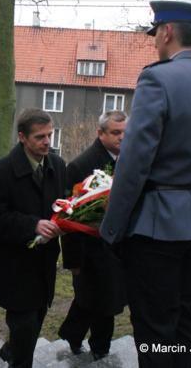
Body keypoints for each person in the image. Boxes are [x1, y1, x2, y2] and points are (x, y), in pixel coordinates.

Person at [100, 0, 191, 368]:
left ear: (167, 32)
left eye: (155, 35)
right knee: (183, 318)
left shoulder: (157, 78)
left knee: (153, 327)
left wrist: (111, 229)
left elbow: (133, 164)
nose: (154, 43)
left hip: (155, 231)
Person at [0, 108, 66, 368]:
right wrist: (33, 225)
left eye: (50, 135)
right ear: (22, 137)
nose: (47, 142)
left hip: (45, 265)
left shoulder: (57, 164)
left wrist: (66, 220)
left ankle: (12, 350)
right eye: (40, 137)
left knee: (34, 323)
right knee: (24, 328)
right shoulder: (0, 171)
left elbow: (61, 204)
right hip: (16, 268)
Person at [58, 110, 128, 360]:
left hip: (119, 247)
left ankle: (73, 334)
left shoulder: (129, 160)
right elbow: (69, 216)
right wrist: (74, 261)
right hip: (90, 250)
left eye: (125, 132)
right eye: (116, 133)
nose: (122, 137)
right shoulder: (80, 165)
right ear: (100, 133)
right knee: (101, 303)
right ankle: (100, 349)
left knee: (95, 300)